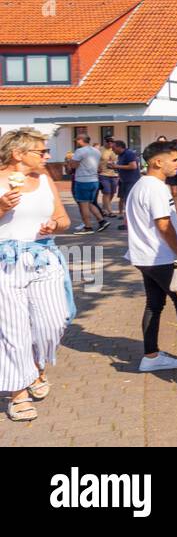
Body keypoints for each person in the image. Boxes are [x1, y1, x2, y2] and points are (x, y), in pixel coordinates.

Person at [0, 128, 74, 422]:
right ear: (18, 154)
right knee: (13, 328)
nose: (47, 156)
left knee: (54, 321)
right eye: (41, 152)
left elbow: (64, 219)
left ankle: (36, 365)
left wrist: (55, 227)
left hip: (43, 258)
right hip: (5, 261)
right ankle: (17, 392)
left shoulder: (45, 180)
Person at [123, 140, 177, 373]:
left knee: (154, 305)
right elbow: (163, 225)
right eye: (175, 160)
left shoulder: (140, 185)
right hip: (160, 257)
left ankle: (151, 355)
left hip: (144, 256)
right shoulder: (155, 187)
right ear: (158, 162)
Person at [68, 134, 107, 233]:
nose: (76, 142)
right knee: (89, 203)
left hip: (82, 180)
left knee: (83, 205)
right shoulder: (96, 151)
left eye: (77, 140)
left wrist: (69, 161)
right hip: (94, 180)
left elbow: (73, 165)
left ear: (81, 140)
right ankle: (102, 221)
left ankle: (88, 227)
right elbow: (99, 166)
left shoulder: (80, 151)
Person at [97, 141, 119, 220]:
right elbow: (95, 160)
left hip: (114, 174)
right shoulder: (100, 150)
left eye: (112, 142)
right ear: (105, 142)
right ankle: (110, 211)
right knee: (107, 192)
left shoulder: (115, 149)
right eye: (109, 142)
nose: (110, 144)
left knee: (112, 192)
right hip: (103, 174)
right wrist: (97, 168)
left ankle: (104, 209)